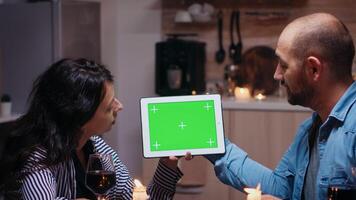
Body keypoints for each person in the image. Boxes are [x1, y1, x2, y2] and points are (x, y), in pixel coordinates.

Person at [205, 13, 356, 200]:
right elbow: (280, 188)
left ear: (314, 69)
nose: (277, 75)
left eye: (284, 65)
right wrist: (211, 141)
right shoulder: (311, 129)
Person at [0, 58, 190, 199]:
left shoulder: (98, 148)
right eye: (109, 106)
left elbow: (137, 197)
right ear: (80, 113)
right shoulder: (39, 157)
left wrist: (168, 164)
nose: (119, 106)